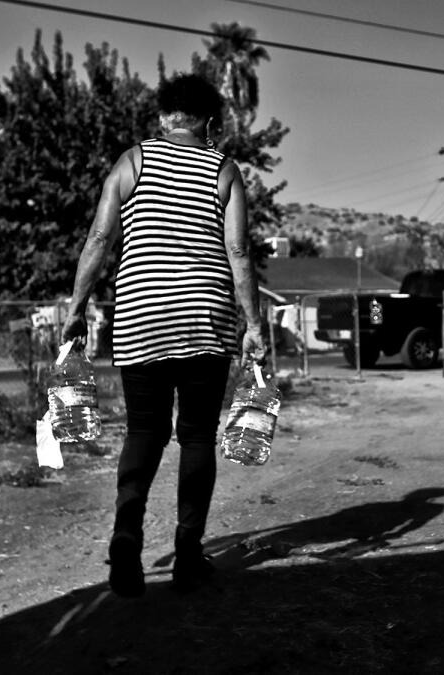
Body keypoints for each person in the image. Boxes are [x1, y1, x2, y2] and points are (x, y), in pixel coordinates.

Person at [61, 74, 265, 597]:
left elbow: (100, 237)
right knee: (196, 435)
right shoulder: (224, 169)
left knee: (145, 432)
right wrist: (254, 324)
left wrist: (77, 306)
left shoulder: (133, 161)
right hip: (205, 319)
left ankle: (126, 538)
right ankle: (188, 554)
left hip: (141, 317)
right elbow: (239, 252)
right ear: (212, 122)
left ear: (161, 118)